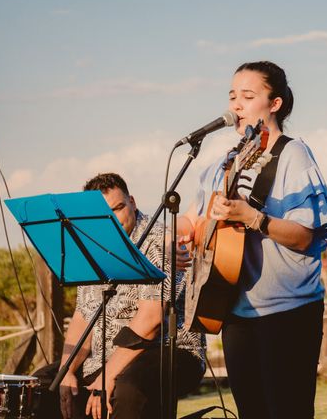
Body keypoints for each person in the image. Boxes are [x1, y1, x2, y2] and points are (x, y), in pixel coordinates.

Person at [175, 61, 327, 419]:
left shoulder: (292, 154)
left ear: (274, 103)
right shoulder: (225, 160)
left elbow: (305, 234)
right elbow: (194, 216)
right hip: (234, 307)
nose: (237, 104)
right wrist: (182, 235)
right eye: (233, 96)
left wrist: (252, 217)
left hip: (288, 311)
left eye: (248, 96)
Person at [34, 172, 205, 419]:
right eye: (105, 214)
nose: (114, 219)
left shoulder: (161, 242)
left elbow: (150, 322)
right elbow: (84, 314)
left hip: (167, 351)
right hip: (104, 358)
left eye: (119, 208)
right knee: (40, 387)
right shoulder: (92, 246)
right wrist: (66, 370)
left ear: (133, 202)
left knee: (127, 388)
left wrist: (107, 375)